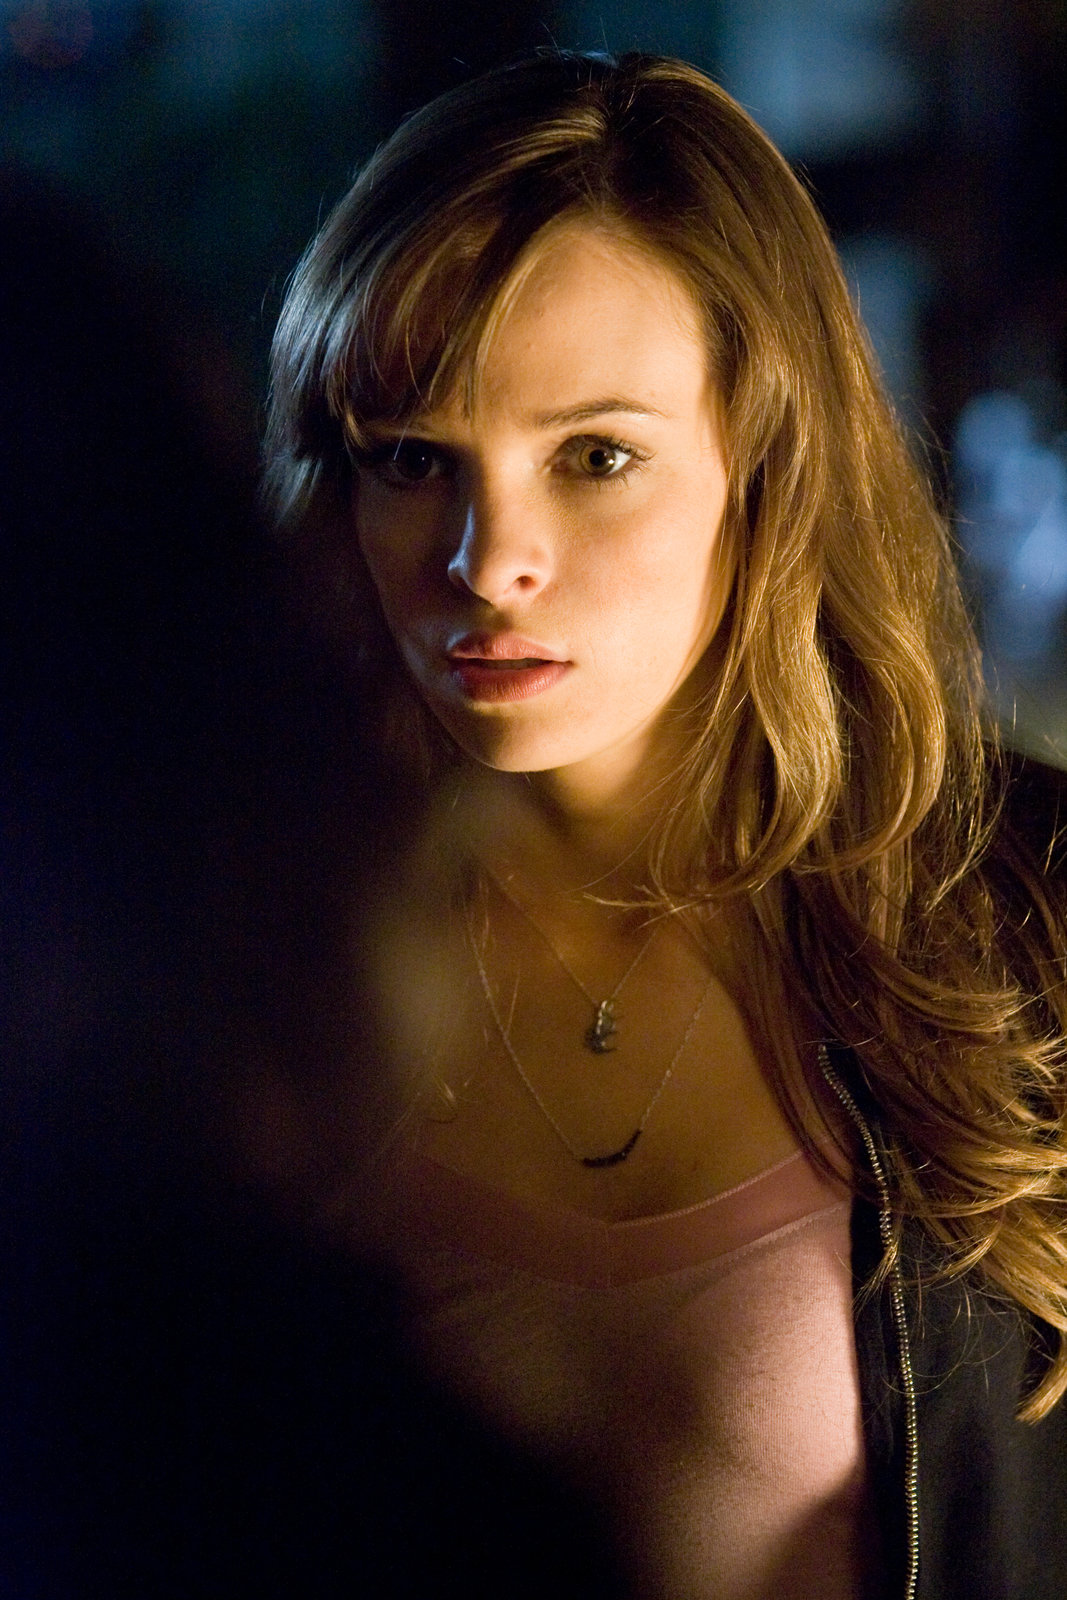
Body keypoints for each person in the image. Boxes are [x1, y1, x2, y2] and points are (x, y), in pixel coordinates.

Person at [264, 51, 1067, 1599]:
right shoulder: (243, 970)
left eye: (596, 457)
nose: (489, 560)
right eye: (415, 460)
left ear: (766, 466)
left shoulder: (1031, 909)